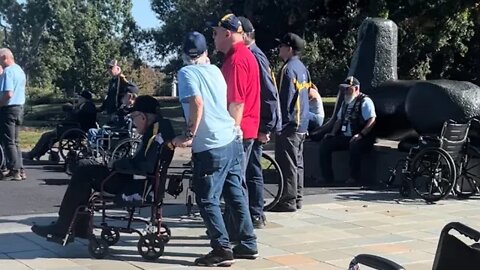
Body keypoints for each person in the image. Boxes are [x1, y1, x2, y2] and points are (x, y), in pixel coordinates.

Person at [31, 95, 175, 242]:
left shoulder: (155, 135)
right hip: (138, 181)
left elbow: (146, 166)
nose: (133, 122)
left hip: (132, 184)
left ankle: (65, 227)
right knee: (85, 167)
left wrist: (117, 163)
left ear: (143, 117)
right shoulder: (160, 130)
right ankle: (74, 227)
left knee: (83, 172)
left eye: (133, 117)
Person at [173, 31, 257, 267]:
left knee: (207, 198)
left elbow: (197, 103)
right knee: (235, 194)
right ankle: (248, 243)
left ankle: (221, 248)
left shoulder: (186, 73)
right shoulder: (216, 71)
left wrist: (189, 135)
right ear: (205, 52)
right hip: (231, 139)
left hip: (210, 146)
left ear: (183, 54)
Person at [238, 16, 281, 228]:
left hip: (255, 125)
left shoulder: (255, 56)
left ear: (245, 35)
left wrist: (266, 126)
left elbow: (269, 94)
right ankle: (253, 212)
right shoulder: (253, 54)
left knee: (252, 170)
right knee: (251, 169)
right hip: (254, 123)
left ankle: (255, 213)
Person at [211, 13, 260, 174]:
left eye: (215, 33)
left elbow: (237, 103)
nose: (213, 38)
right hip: (245, 130)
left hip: (238, 133)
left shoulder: (236, 60)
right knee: (236, 184)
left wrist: (231, 136)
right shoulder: (241, 56)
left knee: (234, 185)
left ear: (227, 33)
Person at [271, 33, 310, 212]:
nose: (279, 49)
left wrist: (278, 125)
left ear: (290, 49)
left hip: (290, 126)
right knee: (297, 163)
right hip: (302, 124)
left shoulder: (287, 70)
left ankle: (288, 200)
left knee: (287, 164)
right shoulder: (303, 69)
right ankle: (298, 198)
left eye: (282, 46)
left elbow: (283, 101)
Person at [318, 76, 376, 185]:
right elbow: (339, 120)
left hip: (362, 137)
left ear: (356, 88)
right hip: (346, 135)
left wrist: (361, 134)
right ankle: (327, 177)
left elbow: (372, 120)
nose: (346, 92)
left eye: (348, 89)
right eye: (345, 89)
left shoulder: (365, 101)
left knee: (355, 145)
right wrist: (333, 133)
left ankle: (354, 177)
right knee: (325, 144)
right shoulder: (345, 102)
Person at [24, 90, 97, 160]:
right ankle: (38, 153)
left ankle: (32, 154)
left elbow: (77, 118)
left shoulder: (86, 107)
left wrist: (71, 110)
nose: (78, 99)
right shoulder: (87, 106)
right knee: (50, 137)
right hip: (76, 127)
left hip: (76, 129)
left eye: (80, 98)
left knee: (46, 135)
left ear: (83, 98)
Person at [0, 48, 26, 181]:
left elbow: (8, 93)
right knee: (15, 141)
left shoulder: (8, 72)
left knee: (8, 141)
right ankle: (20, 169)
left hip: (9, 109)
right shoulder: (19, 70)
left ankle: (14, 170)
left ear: (4, 57)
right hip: (19, 108)